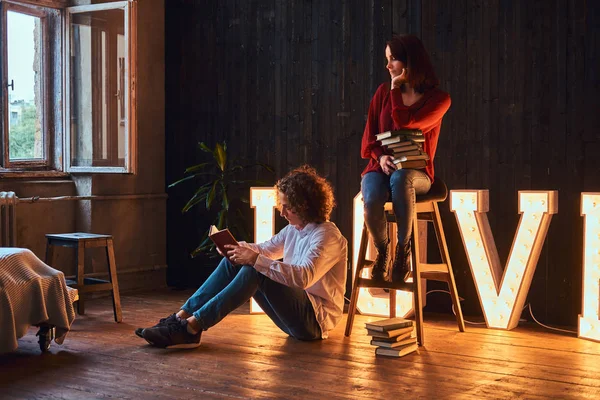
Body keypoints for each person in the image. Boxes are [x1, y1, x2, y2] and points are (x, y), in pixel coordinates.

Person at [136, 165, 348, 349]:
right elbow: (266, 249)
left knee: (254, 268)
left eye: (288, 207)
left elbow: (303, 277)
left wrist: (254, 259)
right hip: (293, 317)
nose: (282, 212)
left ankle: (192, 328)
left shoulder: (328, 236)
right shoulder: (294, 229)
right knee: (237, 261)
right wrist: (235, 248)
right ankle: (180, 319)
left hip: (313, 323)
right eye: (281, 205)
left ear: (305, 207)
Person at [360, 34, 451, 284]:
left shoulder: (439, 100)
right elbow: (368, 140)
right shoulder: (381, 93)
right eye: (387, 60)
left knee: (401, 177)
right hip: (381, 169)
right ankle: (382, 251)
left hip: (417, 174)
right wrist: (380, 159)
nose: (388, 66)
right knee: (370, 193)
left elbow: (406, 122)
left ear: (410, 61)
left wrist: (395, 90)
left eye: (393, 59)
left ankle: (403, 251)